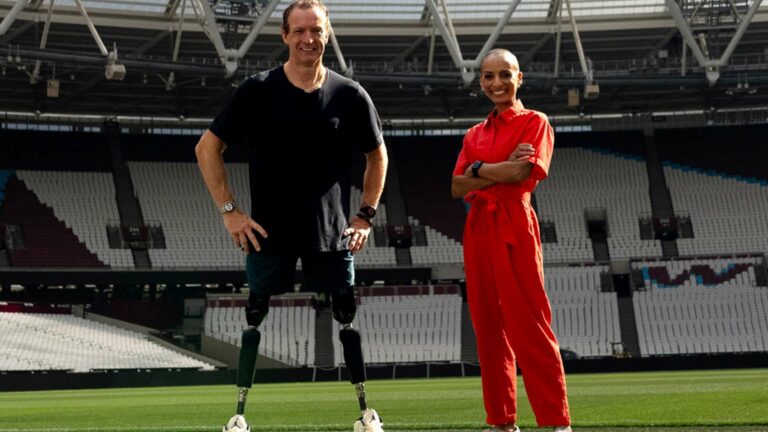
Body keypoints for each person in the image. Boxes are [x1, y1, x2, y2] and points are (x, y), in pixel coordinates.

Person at [195, 1, 388, 431]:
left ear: (327, 33)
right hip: (268, 232)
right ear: (284, 35)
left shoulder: (349, 94)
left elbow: (378, 155)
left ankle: (366, 414)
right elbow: (207, 147)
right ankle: (239, 418)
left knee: (346, 316)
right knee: (254, 316)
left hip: (331, 233)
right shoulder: (257, 90)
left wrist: (365, 216)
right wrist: (230, 212)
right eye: (299, 31)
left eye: (316, 30)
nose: (308, 39)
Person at [450, 49, 572, 432]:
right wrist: (495, 170)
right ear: (481, 81)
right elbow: (456, 186)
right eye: (488, 76)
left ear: (520, 78)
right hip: (478, 230)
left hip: (516, 223)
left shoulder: (536, 121)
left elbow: (525, 171)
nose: (496, 83)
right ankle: (501, 422)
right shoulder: (474, 133)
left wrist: (479, 169)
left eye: (505, 74)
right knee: (487, 329)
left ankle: (556, 422)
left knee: (530, 324)